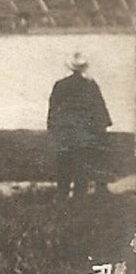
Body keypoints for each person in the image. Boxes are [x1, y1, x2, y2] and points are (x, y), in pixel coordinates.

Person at [48, 52, 113, 199]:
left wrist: (53, 127)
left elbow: (53, 108)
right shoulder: (90, 85)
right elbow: (99, 108)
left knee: (64, 161)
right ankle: (79, 194)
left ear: (70, 68)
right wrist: (103, 125)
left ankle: (63, 193)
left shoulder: (60, 85)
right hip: (85, 131)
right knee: (82, 162)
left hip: (65, 131)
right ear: (83, 68)